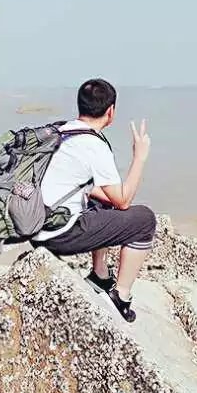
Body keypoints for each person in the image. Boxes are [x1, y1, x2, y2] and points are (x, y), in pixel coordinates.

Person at [32, 78, 156, 322]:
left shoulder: (60, 131)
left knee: (103, 200)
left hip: (34, 228)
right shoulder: (93, 144)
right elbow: (123, 201)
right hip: (59, 236)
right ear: (111, 111)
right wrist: (139, 156)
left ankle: (100, 275)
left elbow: (86, 187)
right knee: (145, 221)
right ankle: (121, 295)